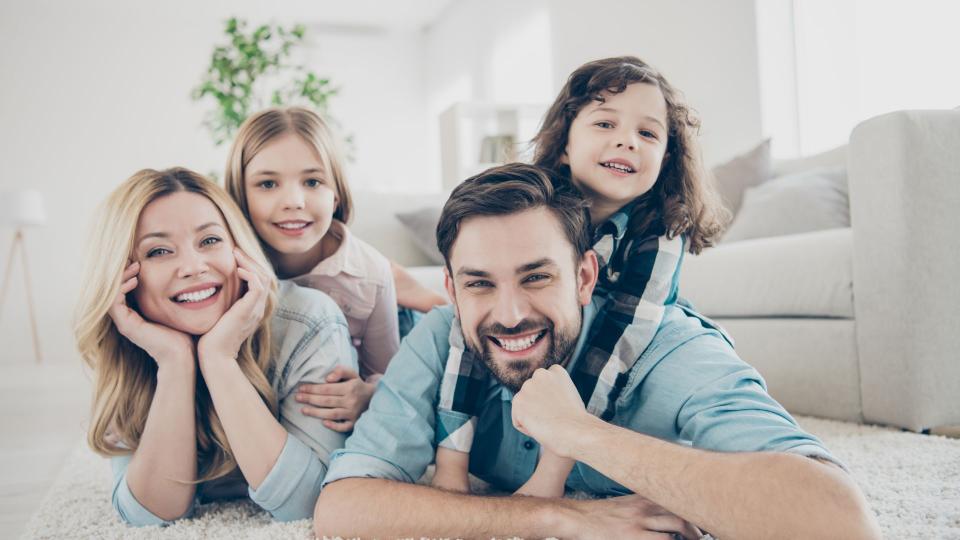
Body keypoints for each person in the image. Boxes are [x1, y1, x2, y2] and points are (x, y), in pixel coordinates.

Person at [312, 163, 880, 539]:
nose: (509, 315)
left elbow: (840, 522)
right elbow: (342, 509)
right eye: (480, 283)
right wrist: (557, 516)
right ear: (453, 289)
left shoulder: (670, 348)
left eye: (536, 277)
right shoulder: (443, 336)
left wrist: (581, 433)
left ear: (585, 276)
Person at [431, 55, 729, 496]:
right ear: (566, 144)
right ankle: (450, 460)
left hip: (621, 336)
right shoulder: (532, 209)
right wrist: (451, 465)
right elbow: (470, 335)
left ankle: (552, 473)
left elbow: (616, 345)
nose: (627, 142)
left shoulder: (662, 234)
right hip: (548, 327)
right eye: (605, 124)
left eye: (646, 133)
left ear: (666, 159)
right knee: (473, 324)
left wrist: (553, 469)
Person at [74, 168, 356, 526]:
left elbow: (310, 504)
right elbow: (148, 514)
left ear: (239, 248)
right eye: (159, 251)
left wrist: (219, 359)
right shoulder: (128, 335)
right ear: (122, 277)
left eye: (209, 241)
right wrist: (175, 362)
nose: (193, 267)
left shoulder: (307, 320)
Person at [224, 106, 444, 433]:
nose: (294, 201)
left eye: (313, 181)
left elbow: (384, 373)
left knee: (436, 335)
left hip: (379, 323)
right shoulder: (225, 265)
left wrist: (368, 395)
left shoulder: (369, 275)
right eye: (268, 184)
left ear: (337, 195)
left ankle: (416, 295)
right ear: (240, 196)